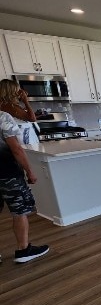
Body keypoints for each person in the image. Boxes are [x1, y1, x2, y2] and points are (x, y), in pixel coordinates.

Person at [0, 110, 49, 264]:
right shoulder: (2, 116)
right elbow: (16, 149)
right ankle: (23, 250)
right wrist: (30, 171)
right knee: (19, 211)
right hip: (8, 173)